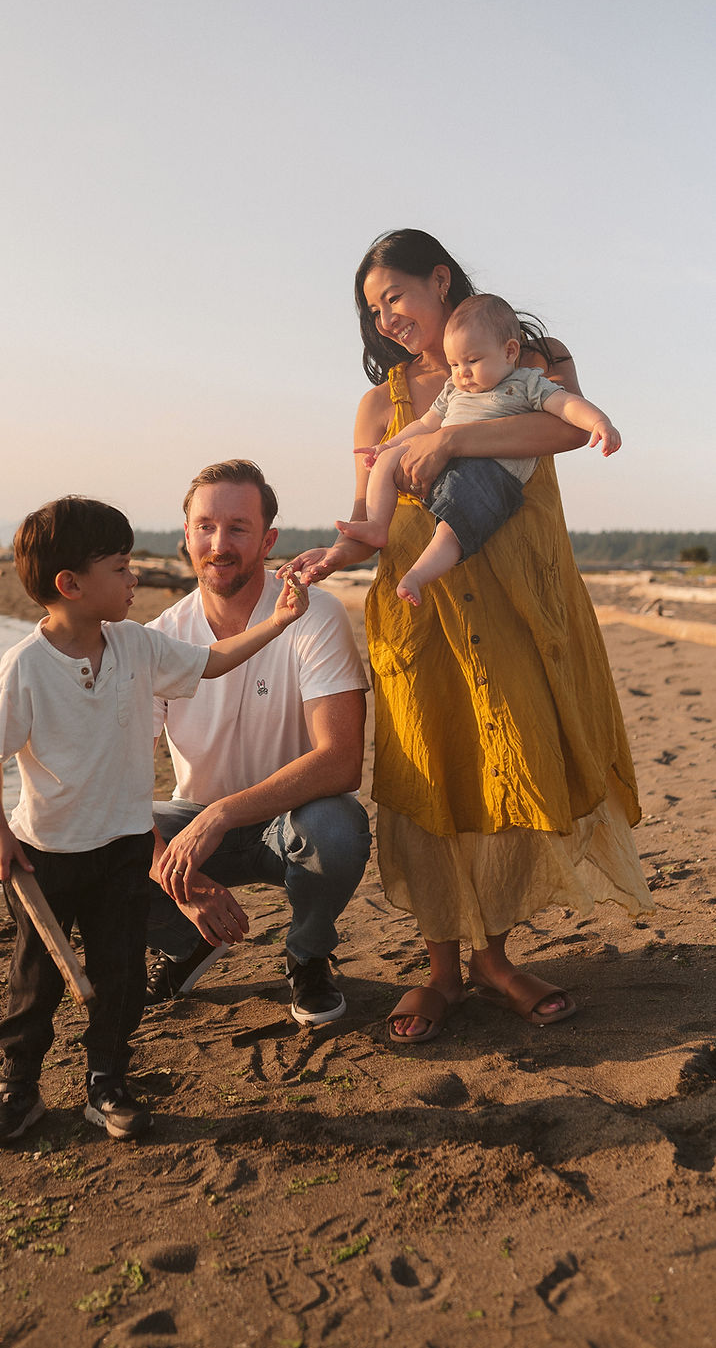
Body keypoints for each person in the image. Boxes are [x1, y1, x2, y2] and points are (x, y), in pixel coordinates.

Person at [283, 230, 651, 1042]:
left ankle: (494, 959)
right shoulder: (381, 402)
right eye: (373, 310)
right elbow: (372, 516)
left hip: (518, 603)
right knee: (434, 774)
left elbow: (562, 432)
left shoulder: (532, 355)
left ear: (440, 279)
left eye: (395, 296)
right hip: (420, 610)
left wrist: (450, 437)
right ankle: (442, 970)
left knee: (502, 770)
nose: (385, 318)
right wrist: (330, 555)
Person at [0, 494, 307, 1145]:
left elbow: (213, 660)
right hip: (46, 857)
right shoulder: (27, 665)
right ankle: (19, 1089)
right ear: (71, 584)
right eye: (121, 568)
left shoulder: (136, 645)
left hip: (123, 849)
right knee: (35, 980)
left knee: (120, 975)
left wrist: (279, 622)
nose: (136, 578)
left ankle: (107, 1083)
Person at [144, 460, 371, 1026]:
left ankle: (308, 956)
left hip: (291, 823)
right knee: (82, 840)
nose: (219, 545)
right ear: (186, 536)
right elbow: (116, 782)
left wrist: (222, 814)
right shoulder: (160, 639)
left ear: (268, 541)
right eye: (205, 527)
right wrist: (174, 880)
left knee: (338, 826)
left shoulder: (313, 614)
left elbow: (342, 761)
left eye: (238, 528)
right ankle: (188, 943)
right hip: (195, 825)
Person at [336, 294, 622, 607]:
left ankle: (417, 575)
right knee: (388, 459)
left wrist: (600, 422)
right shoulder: (453, 389)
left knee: (451, 531)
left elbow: (566, 404)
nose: (462, 372)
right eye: (455, 364)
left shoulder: (525, 384)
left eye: (472, 361)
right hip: (441, 470)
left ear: (509, 351)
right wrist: (388, 446)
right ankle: (378, 525)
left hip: (490, 477)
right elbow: (426, 424)